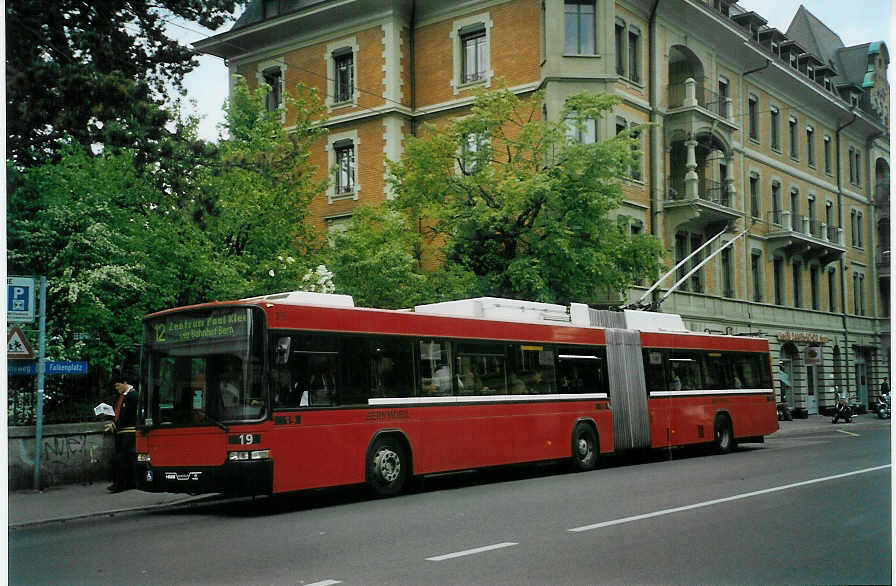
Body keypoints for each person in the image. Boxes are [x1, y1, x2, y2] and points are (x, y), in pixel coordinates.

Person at [105, 368, 138, 493]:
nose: (116, 388)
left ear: (125, 383)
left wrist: (115, 424)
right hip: (123, 431)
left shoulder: (133, 395)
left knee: (121, 457)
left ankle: (119, 483)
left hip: (129, 431)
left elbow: (126, 415)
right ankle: (130, 482)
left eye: (118, 385)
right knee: (127, 458)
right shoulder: (124, 396)